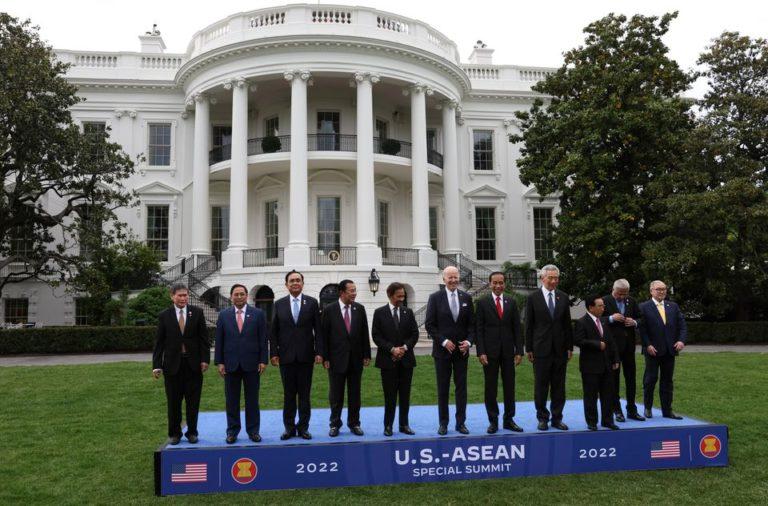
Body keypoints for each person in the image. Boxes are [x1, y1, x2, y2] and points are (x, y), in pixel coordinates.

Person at [152, 282, 210, 445]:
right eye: (180, 295)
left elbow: (203, 339)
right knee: (173, 402)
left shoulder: (197, 313)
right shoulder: (164, 315)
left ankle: (192, 432)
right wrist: (157, 365)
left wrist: (205, 359)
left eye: (186, 295)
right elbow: (159, 342)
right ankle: (174, 434)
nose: (184, 298)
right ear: (172, 296)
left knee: (193, 402)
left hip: (193, 365)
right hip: (172, 366)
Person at [269, 270, 323, 440]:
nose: (295, 283)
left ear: (302, 283)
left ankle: (303, 428)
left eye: (298, 280)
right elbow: (274, 331)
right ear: (286, 285)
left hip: (306, 357)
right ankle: (289, 428)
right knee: (289, 395)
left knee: (305, 395)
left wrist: (319, 352)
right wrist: (274, 353)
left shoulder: (313, 303)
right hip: (286, 358)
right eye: (291, 280)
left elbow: (319, 330)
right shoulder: (279, 304)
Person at [214, 284, 268, 444]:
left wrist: (263, 360)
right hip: (230, 364)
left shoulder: (258, 314)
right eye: (236, 294)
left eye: (242, 294)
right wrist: (220, 362)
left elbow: (263, 339)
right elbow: (220, 340)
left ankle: (253, 431)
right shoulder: (223, 315)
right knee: (231, 400)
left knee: (252, 400)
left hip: (252, 364)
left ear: (246, 296)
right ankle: (232, 431)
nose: (239, 297)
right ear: (231, 297)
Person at [425, 266, 475, 435]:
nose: (453, 280)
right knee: (443, 388)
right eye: (450, 277)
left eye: (455, 277)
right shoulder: (435, 298)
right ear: (443, 279)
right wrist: (444, 341)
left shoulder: (467, 297)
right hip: (442, 352)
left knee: (461, 388)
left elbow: (471, 326)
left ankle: (461, 423)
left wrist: (469, 341)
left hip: (461, 352)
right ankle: (443, 423)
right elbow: (430, 325)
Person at [524, 264, 573, 431]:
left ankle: (557, 418)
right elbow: (529, 325)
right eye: (550, 278)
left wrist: (569, 347)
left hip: (560, 349)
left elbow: (567, 324)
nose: (553, 281)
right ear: (542, 278)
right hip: (540, 349)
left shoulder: (563, 297)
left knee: (559, 386)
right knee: (541, 385)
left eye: (556, 278)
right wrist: (528, 348)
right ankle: (542, 418)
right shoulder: (533, 298)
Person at [476, 271, 524, 433]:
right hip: (489, 353)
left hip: (508, 352)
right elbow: (479, 329)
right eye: (495, 283)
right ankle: (493, 421)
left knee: (509, 387)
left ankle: (509, 420)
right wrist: (480, 351)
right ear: (490, 284)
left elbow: (517, 328)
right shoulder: (482, 303)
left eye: (501, 282)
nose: (498, 285)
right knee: (491, 388)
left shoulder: (511, 301)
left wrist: (519, 351)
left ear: (504, 284)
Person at [322, 279, 371, 437]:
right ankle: (335, 424)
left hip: (356, 359)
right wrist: (325, 357)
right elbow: (324, 336)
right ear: (342, 292)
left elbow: (364, 333)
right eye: (351, 290)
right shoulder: (329, 310)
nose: (354, 293)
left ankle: (354, 423)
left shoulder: (360, 308)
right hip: (336, 360)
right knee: (336, 395)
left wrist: (366, 354)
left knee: (355, 394)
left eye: (355, 290)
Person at [372, 282, 419, 436]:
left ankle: (404, 425)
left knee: (405, 395)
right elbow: (376, 336)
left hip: (406, 361)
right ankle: (388, 426)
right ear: (390, 295)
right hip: (387, 361)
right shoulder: (379, 313)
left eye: (403, 296)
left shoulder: (408, 312)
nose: (401, 299)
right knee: (390, 396)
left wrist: (404, 348)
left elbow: (414, 334)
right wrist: (392, 349)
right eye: (399, 296)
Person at [638, 280, 687, 419]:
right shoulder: (644, 307)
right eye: (659, 289)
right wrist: (647, 345)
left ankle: (667, 410)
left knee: (667, 381)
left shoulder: (673, 306)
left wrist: (681, 340)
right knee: (650, 380)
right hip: (652, 350)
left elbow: (682, 326)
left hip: (670, 350)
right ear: (651, 291)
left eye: (664, 289)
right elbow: (642, 329)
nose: (662, 291)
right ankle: (647, 408)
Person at [574, 295, 620, 431]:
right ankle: (592, 422)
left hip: (606, 365)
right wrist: (596, 344)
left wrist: (616, 359)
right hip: (590, 366)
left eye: (603, 305)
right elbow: (578, 340)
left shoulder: (604, 322)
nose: (603, 308)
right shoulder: (581, 322)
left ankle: (607, 420)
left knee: (608, 394)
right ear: (591, 307)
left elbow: (611, 342)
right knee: (591, 395)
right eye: (600, 306)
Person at [603, 279, 645, 422]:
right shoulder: (604, 301)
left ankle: (632, 409)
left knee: (631, 379)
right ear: (613, 289)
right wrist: (610, 318)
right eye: (620, 294)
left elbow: (641, 318)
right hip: (612, 347)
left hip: (629, 346)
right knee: (614, 379)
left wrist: (634, 322)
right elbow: (596, 320)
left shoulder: (631, 301)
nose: (622, 297)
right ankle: (617, 410)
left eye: (625, 294)